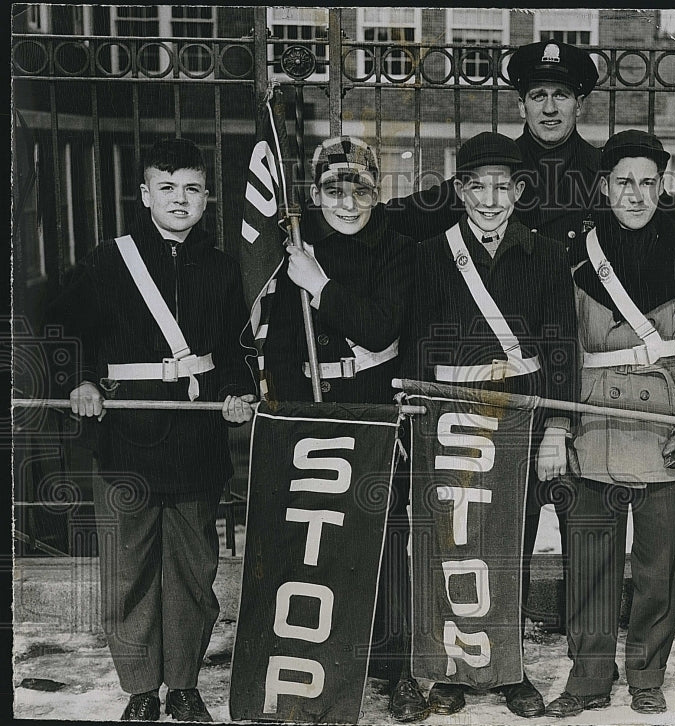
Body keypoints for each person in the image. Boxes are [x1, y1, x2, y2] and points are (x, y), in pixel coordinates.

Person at [386, 38, 675, 634]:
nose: (549, 107)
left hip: (571, 384)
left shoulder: (605, 172)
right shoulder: (492, 168)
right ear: (521, 103)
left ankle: (583, 656)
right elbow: (406, 216)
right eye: (538, 95)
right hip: (498, 383)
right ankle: (491, 644)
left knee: (583, 535)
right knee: (490, 529)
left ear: (579, 104)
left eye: (562, 96)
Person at [48, 138, 258, 721]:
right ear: (145, 195)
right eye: (166, 187)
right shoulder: (108, 260)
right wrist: (81, 380)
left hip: (196, 441)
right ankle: (142, 689)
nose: (179, 199)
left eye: (191, 188)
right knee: (129, 574)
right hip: (125, 438)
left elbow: (237, 349)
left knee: (193, 573)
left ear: (207, 197)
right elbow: (61, 325)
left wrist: (240, 393)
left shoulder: (220, 268)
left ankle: (184, 687)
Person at [401, 131, 577, 718]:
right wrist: (416, 423)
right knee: (451, 539)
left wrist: (557, 427)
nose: (491, 199)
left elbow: (561, 348)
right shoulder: (429, 254)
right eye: (478, 186)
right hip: (448, 413)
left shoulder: (547, 255)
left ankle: (508, 670)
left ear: (520, 191)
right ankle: (451, 670)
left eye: (504, 186)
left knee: (510, 541)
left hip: (519, 415)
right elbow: (415, 346)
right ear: (460, 190)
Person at [543, 131, 675, 718]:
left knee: (657, 563)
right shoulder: (572, 254)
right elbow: (561, 342)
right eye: (623, 182)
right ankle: (590, 675)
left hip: (665, 418)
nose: (636, 194)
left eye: (647, 182)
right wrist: (562, 422)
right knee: (590, 556)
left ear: (662, 186)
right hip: (596, 420)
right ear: (604, 186)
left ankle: (647, 671)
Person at [254, 135, 426, 723]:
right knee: (325, 535)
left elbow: (381, 329)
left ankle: (399, 665)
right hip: (314, 406)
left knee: (388, 536)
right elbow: (278, 347)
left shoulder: (400, 250)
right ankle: (333, 656)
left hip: (377, 403)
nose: (348, 204)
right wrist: (289, 412)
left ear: (378, 195)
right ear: (314, 194)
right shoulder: (297, 250)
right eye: (334, 190)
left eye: (361, 191)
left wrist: (320, 285)